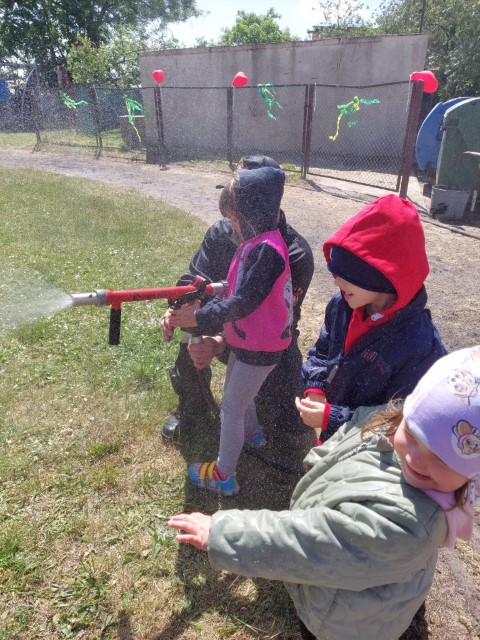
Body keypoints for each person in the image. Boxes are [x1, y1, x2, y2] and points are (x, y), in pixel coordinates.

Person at [168, 346, 480, 640]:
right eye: (412, 434)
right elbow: (355, 429)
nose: (415, 457)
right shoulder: (394, 420)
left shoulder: (405, 525)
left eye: (442, 459)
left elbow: (305, 544)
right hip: (340, 586)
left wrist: (222, 534)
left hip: (341, 620)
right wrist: (319, 462)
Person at [161, 155, 314, 442]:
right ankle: (191, 408)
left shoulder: (294, 253)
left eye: (238, 210)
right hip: (219, 322)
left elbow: (280, 323)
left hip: (267, 343)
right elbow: (192, 283)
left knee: (287, 423)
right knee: (189, 336)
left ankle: (260, 416)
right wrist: (177, 311)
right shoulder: (220, 234)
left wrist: (219, 342)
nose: (232, 223)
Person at [168, 166, 294, 495]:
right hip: (249, 342)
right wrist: (206, 295)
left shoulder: (267, 251)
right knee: (237, 394)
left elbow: (244, 301)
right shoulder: (256, 243)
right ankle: (251, 434)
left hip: (260, 347)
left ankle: (224, 475)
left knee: (231, 408)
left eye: (235, 219)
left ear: (253, 214)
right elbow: (235, 287)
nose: (231, 226)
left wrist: (199, 318)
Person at [297, 194, 446, 442]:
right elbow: (323, 351)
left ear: (382, 277)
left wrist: (333, 417)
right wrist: (316, 387)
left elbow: (399, 417)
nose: (335, 281)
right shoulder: (342, 305)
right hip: (335, 436)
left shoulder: (419, 343)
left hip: (371, 451)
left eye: (346, 275)